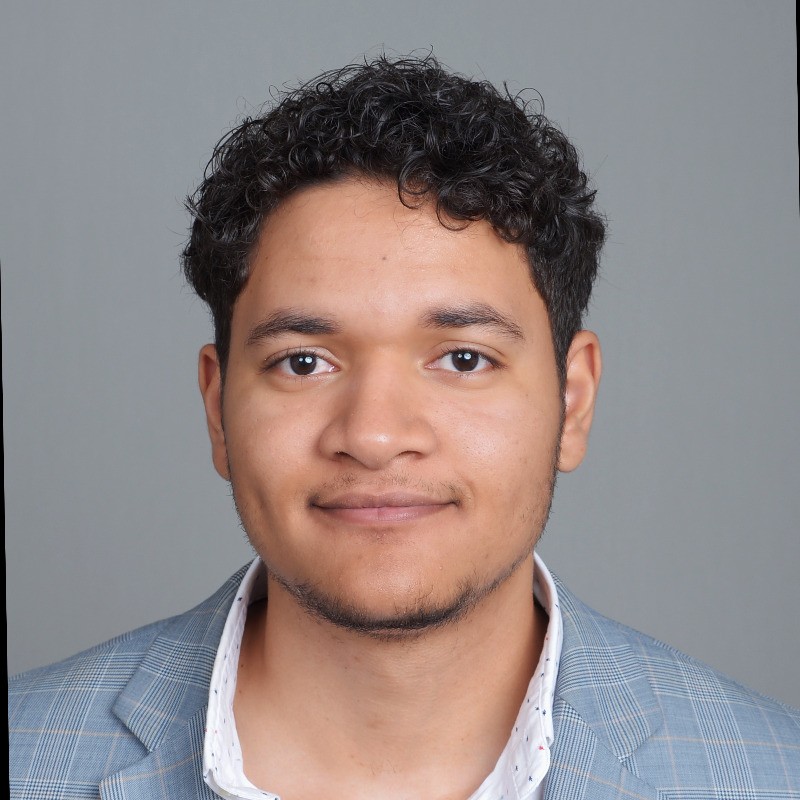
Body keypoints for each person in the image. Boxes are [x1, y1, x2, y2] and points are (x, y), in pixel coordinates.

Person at [8, 54, 800, 800]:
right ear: (217, 408)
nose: (375, 436)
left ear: (574, 399)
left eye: (463, 358)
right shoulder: (26, 755)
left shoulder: (768, 774)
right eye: (303, 362)